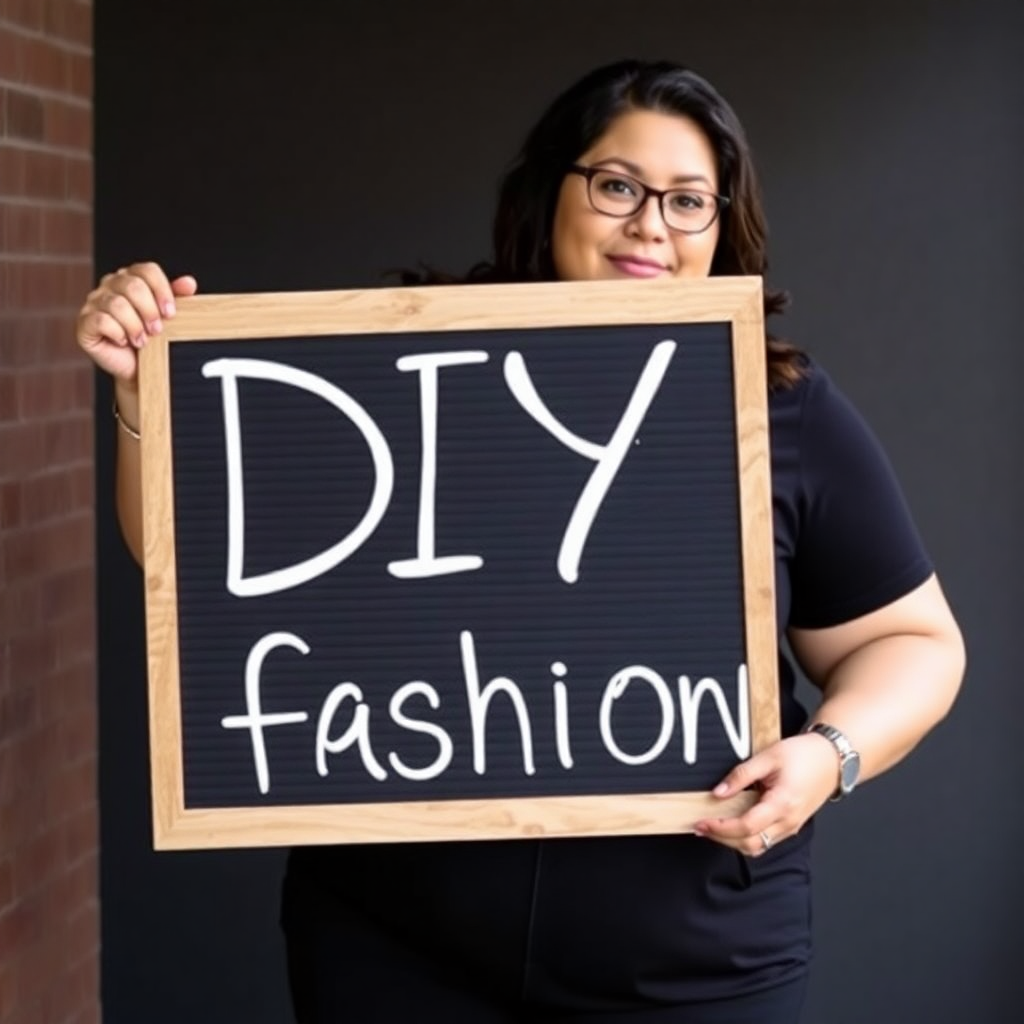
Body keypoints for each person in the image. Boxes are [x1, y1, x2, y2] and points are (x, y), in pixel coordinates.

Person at [76, 59, 965, 1023]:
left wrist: (831, 754)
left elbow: (915, 645)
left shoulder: (775, 405)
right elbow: (196, 565)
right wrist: (141, 397)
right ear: (551, 190)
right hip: (398, 950)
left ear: (723, 226)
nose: (650, 225)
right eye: (619, 185)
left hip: (693, 964)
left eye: (688, 201)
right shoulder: (396, 363)